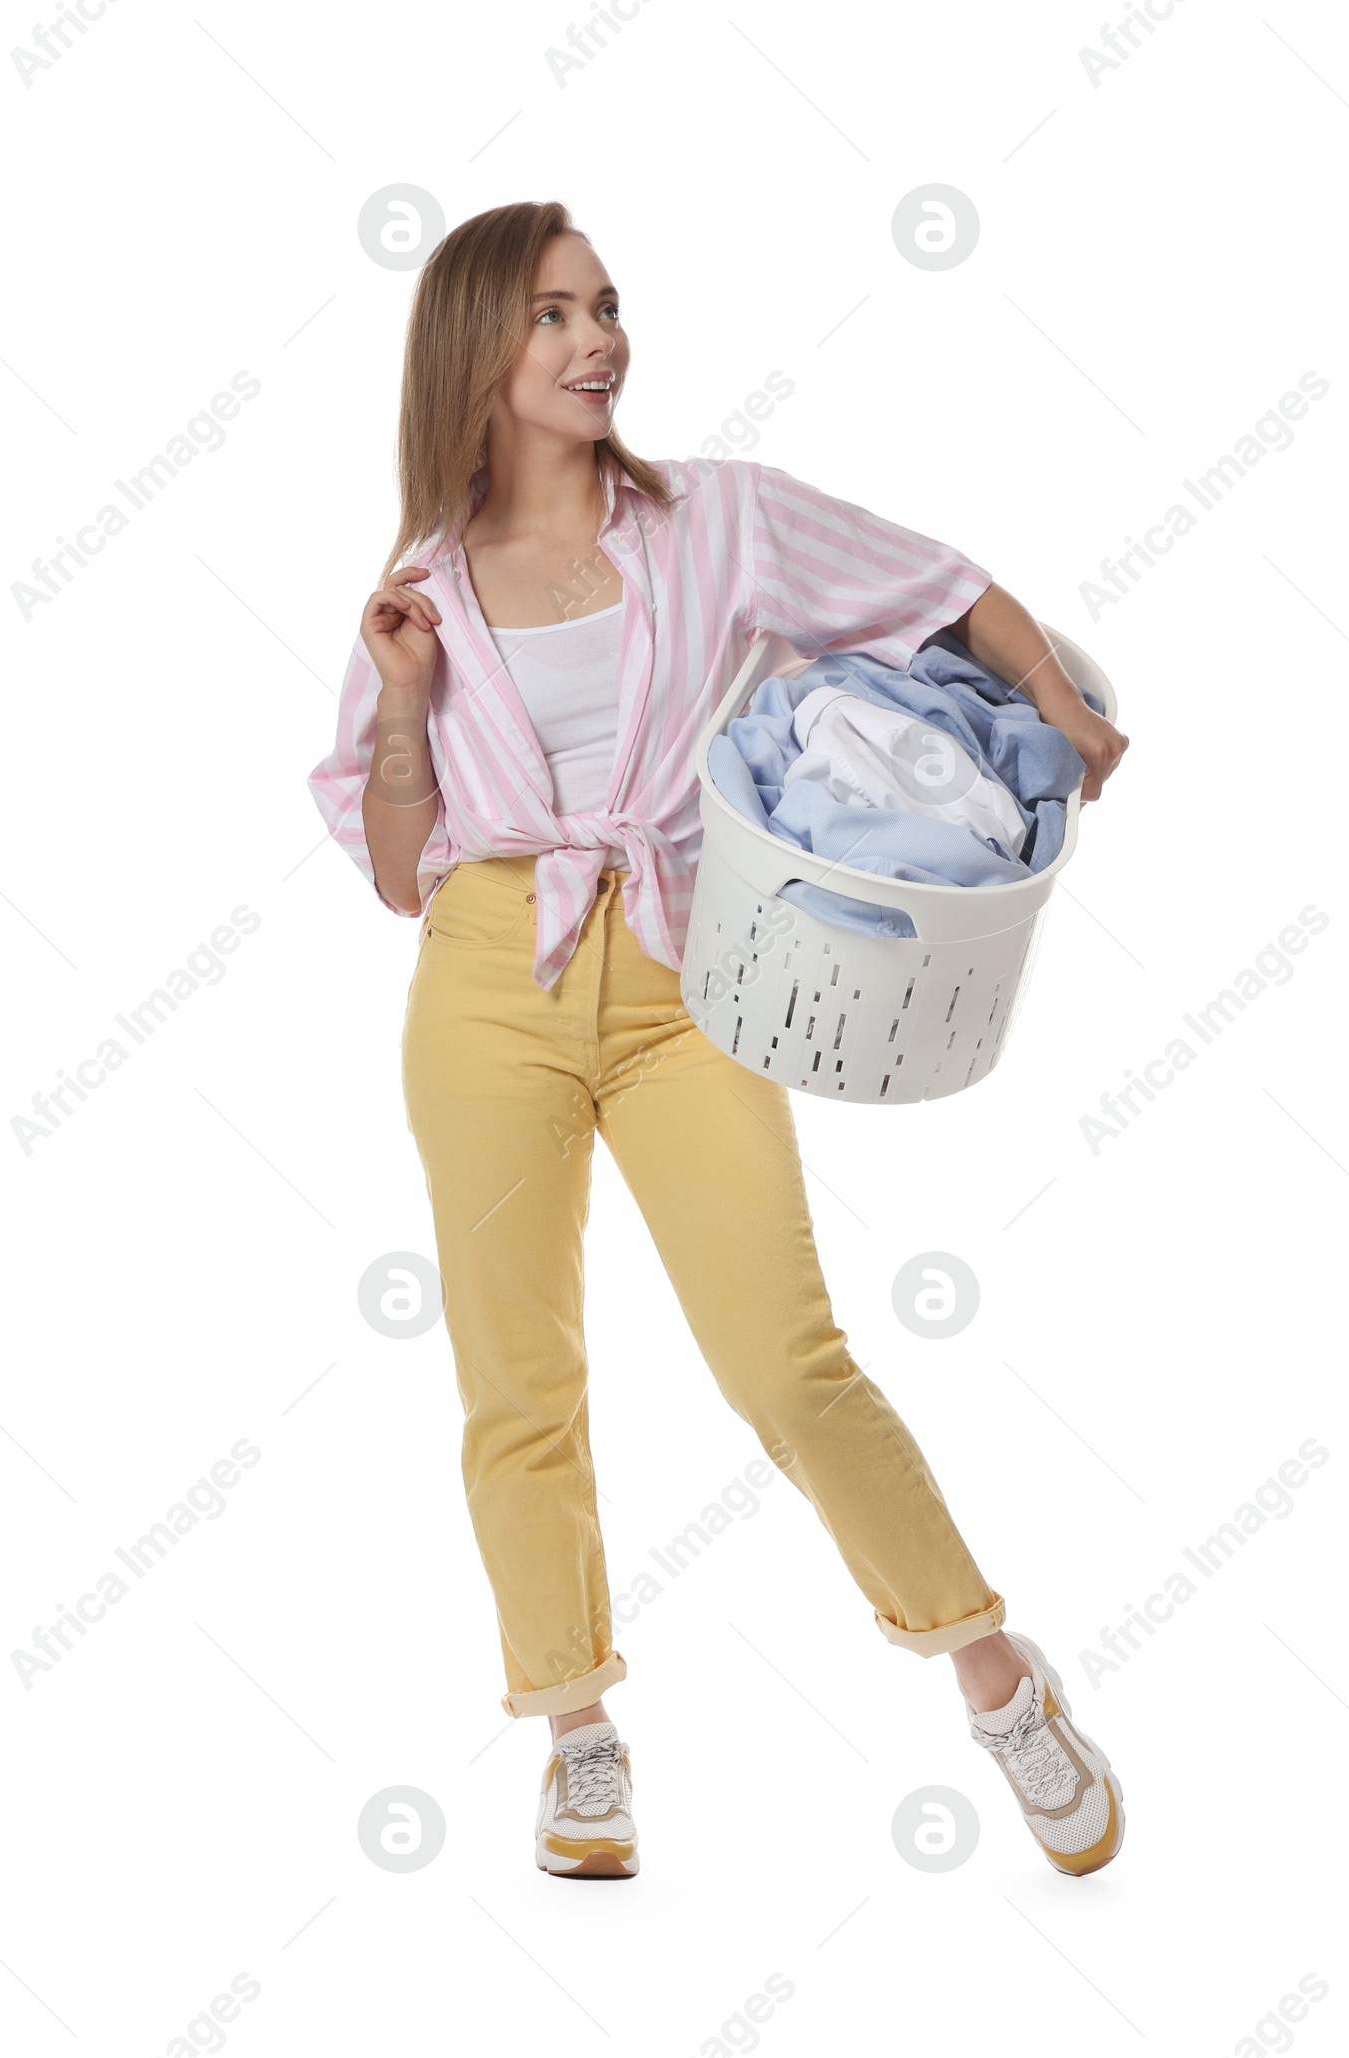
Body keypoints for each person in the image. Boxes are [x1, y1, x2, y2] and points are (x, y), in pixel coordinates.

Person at [308, 200, 1131, 1882]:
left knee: (786, 1359)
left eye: (607, 307)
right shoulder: (422, 594)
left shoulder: (721, 522)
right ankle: (578, 1731)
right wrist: (401, 705)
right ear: (479, 349)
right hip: (488, 977)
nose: (600, 338)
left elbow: (943, 586)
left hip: (700, 968)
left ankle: (993, 1673)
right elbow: (399, 875)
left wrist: (1056, 707)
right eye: (554, 316)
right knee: (515, 1382)